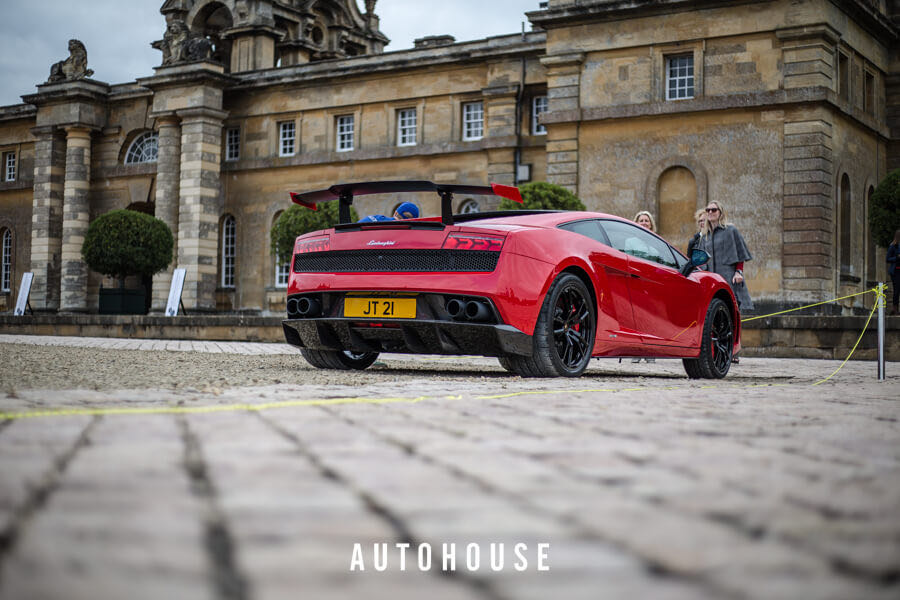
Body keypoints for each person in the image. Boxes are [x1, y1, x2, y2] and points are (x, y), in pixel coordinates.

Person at [632, 210, 657, 363]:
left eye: (646, 220)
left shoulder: (655, 241)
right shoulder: (631, 241)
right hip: (637, 282)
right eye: (641, 220)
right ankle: (636, 352)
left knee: (651, 320)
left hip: (653, 285)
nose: (644, 223)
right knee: (637, 319)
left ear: (651, 224)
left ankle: (650, 352)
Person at [888, 228, 900, 316]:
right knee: (896, 290)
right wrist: (896, 258)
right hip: (895, 272)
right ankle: (895, 309)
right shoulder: (893, 246)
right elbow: (887, 259)